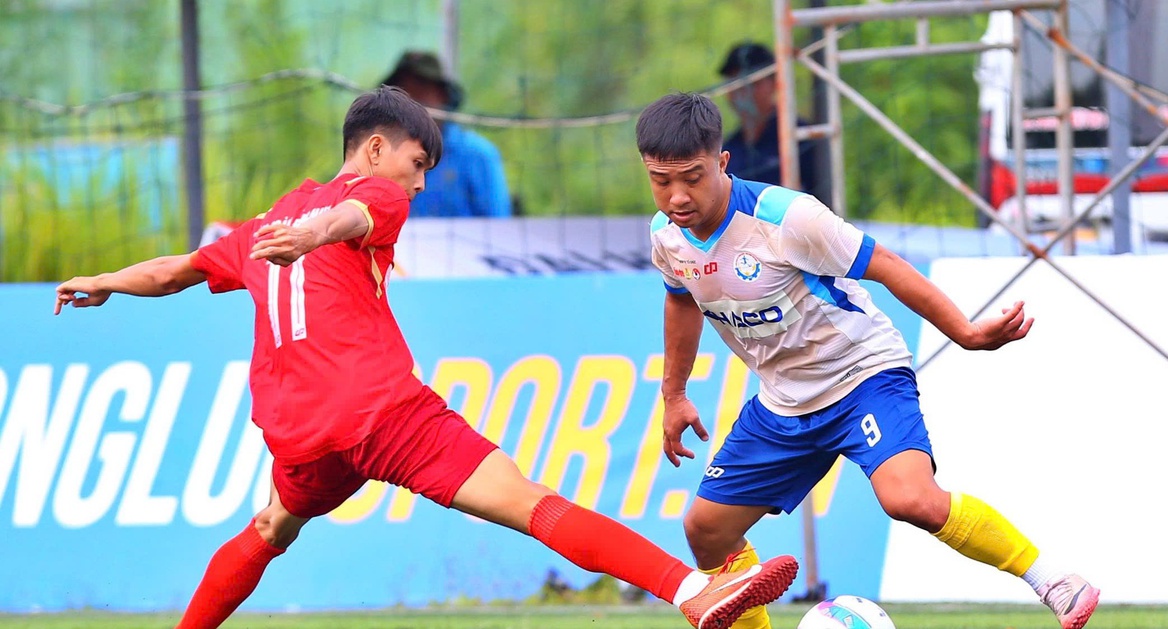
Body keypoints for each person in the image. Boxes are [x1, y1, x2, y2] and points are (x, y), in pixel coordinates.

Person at [53, 86, 799, 629]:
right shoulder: (374, 195)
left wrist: (104, 281)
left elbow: (175, 270)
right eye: (416, 162)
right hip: (380, 413)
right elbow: (352, 214)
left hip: (298, 433)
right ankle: (692, 592)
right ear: (376, 149)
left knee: (272, 526)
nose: (417, 181)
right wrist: (317, 233)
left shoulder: (260, 224)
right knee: (530, 502)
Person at [636, 92, 1100, 629]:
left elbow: (885, 263)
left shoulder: (788, 218)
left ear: (722, 162)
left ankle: (1053, 581)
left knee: (910, 500)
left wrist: (966, 333)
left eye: (692, 177)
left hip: (862, 375)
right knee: (705, 530)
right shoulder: (666, 236)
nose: (677, 196)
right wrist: (674, 394)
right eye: (660, 180)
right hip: (784, 402)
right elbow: (680, 301)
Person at [382, 50, 513, 218]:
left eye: (421, 92)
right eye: (402, 94)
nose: (411, 104)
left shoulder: (477, 155)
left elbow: (498, 222)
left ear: (443, 96)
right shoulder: (383, 157)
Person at [718, 42, 819, 193]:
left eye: (753, 83)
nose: (743, 93)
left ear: (775, 83)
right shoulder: (728, 147)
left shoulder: (802, 136)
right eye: (734, 83)